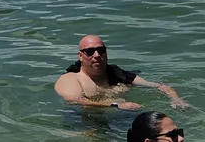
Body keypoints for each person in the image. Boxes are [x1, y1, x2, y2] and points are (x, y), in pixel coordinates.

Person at [54, 35, 189, 110]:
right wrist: (115, 105)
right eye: (90, 52)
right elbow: (74, 101)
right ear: (80, 56)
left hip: (124, 117)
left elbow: (160, 86)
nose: (97, 55)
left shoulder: (118, 75)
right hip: (87, 122)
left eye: (101, 50)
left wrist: (176, 98)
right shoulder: (71, 78)